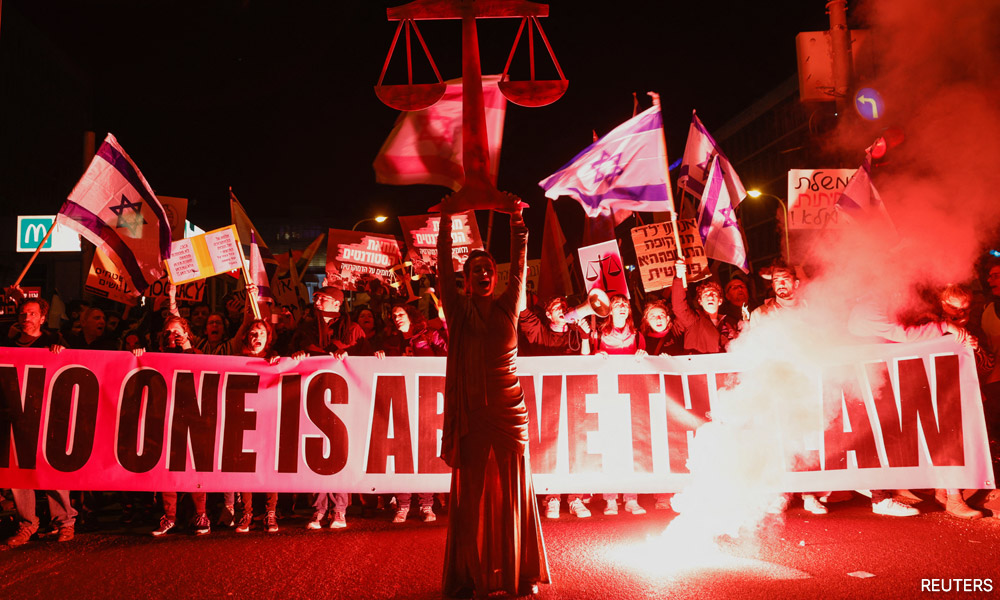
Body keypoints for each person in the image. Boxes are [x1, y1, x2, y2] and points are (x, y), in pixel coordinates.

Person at [438, 196, 549, 598]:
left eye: (488, 269)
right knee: (470, 498)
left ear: (495, 276)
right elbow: (442, 267)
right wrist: (448, 223)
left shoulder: (509, 305)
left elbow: (520, 261)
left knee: (515, 492)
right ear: (466, 279)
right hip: (471, 414)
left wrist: (517, 220)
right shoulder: (457, 308)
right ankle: (468, 578)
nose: (484, 273)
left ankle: (520, 575)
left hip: (509, 411)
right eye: (476, 270)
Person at [847, 292, 978, 517]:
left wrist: (967, 344)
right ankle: (881, 497)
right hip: (889, 383)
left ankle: (949, 495)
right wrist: (947, 327)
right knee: (887, 435)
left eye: (966, 308)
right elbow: (904, 335)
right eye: (955, 307)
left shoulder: (902, 307)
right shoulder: (874, 307)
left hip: (914, 384)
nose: (961, 313)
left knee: (941, 432)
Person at [2, 297, 77, 547]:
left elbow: (72, 367)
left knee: (51, 469)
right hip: (15, 417)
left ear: (43, 318)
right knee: (19, 473)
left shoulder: (52, 343)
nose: (26, 319)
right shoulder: (6, 345)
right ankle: (27, 525)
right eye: (23, 314)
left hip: (46, 416)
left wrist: (62, 354)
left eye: (32, 314)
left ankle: (64, 522)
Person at [518, 296, 592, 519]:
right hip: (545, 399)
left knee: (576, 446)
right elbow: (521, 307)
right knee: (550, 446)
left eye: (565, 307)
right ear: (548, 314)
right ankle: (552, 498)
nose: (562, 310)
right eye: (556, 307)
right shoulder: (537, 331)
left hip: (572, 398)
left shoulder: (575, 333)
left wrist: (585, 335)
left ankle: (576, 497)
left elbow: (586, 360)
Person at [376, 303, 448, 523]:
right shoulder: (391, 341)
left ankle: (427, 504)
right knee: (402, 453)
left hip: (426, 400)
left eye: (401, 314)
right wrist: (379, 355)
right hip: (401, 401)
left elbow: (450, 352)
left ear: (411, 316)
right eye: (394, 315)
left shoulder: (429, 335)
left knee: (425, 452)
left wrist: (445, 322)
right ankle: (403, 504)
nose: (396, 318)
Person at [595, 294, 648, 516]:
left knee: (630, 447)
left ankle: (631, 498)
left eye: (625, 305)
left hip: (631, 397)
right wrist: (597, 355)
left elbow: (648, 361)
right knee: (610, 446)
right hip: (607, 396)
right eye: (617, 305)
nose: (622, 308)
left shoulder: (637, 336)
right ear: (609, 311)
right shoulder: (598, 335)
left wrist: (643, 355)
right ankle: (610, 499)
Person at [234, 316, 285, 533]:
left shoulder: (276, 360)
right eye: (254, 333)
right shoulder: (235, 360)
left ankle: (270, 512)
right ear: (246, 336)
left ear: (268, 338)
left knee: (268, 466)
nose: (257, 337)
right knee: (245, 468)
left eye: (262, 333)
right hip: (244, 420)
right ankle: (247, 513)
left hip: (268, 420)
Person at [671, 259, 740, 354]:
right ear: (700, 301)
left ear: (720, 301)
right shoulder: (694, 320)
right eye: (706, 295)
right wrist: (679, 277)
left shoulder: (730, 323)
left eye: (714, 294)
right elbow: (679, 307)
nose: (710, 296)